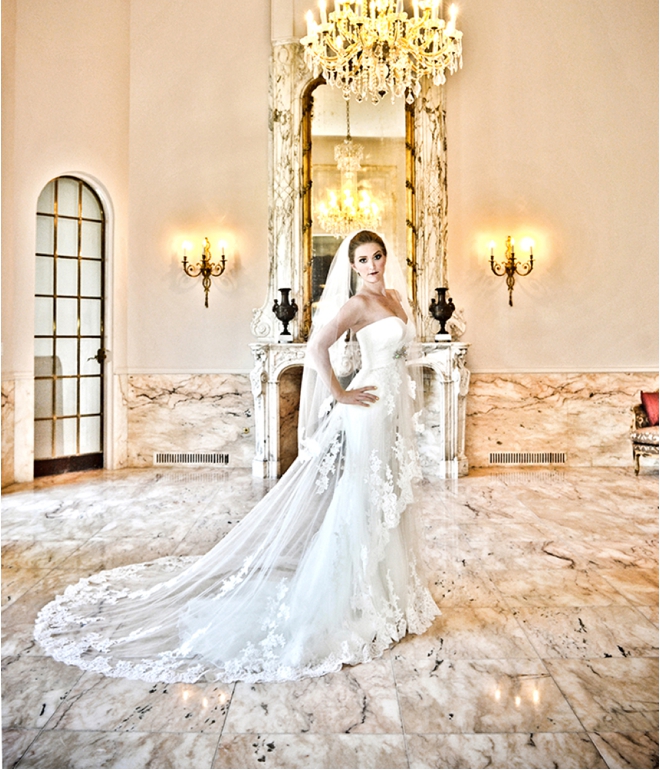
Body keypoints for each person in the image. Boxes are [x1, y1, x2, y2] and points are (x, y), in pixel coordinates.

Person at [35, 229, 439, 684]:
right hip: (365, 408)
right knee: (362, 497)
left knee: (389, 498)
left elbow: (404, 356)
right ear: (351, 266)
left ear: (387, 257)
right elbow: (315, 347)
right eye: (363, 259)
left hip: (391, 412)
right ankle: (349, 600)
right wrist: (340, 392)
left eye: (378, 256)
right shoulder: (356, 306)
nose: (372, 265)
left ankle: (389, 595)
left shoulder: (398, 298)